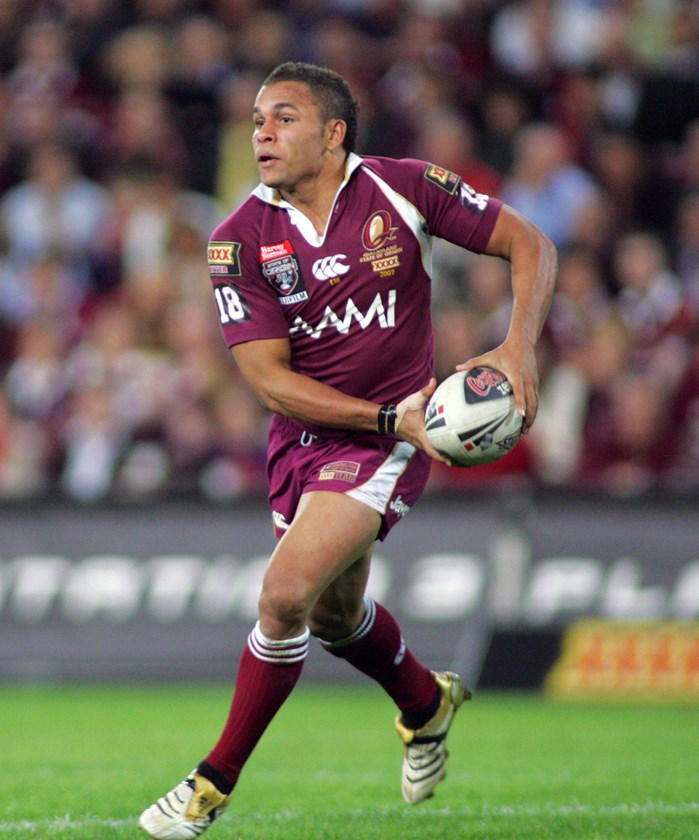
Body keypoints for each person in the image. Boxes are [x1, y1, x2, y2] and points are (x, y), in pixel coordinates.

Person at [139, 61, 557, 838]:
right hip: (316, 437)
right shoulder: (237, 240)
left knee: (284, 595)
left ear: (333, 134)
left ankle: (210, 783)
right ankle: (425, 703)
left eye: (283, 118)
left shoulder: (401, 187)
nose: (261, 132)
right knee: (334, 616)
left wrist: (516, 348)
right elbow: (269, 382)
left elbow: (527, 242)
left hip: (392, 437)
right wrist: (380, 420)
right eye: (257, 119)